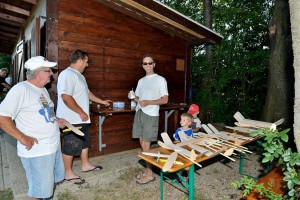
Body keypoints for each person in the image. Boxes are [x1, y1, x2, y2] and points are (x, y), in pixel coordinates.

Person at [0, 56, 65, 199]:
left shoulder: (42, 90)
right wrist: (23, 138)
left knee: (46, 188)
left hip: (51, 147)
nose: (51, 74)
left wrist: (56, 120)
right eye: (49, 71)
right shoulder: (20, 89)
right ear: (38, 72)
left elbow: (45, 114)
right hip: (37, 151)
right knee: (37, 192)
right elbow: (2, 117)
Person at [56, 49, 111, 185]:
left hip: (82, 119)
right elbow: (65, 96)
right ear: (80, 60)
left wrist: (102, 101)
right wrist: (80, 111)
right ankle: (67, 173)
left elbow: (88, 93)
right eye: (86, 62)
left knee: (84, 143)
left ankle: (85, 165)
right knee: (71, 145)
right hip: (71, 119)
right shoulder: (67, 74)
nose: (87, 65)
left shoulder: (80, 75)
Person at [130, 53, 168, 184]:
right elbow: (139, 100)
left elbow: (165, 99)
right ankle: (148, 170)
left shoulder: (160, 80)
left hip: (151, 114)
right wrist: (132, 97)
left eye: (150, 63)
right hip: (139, 112)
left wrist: (148, 103)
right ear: (142, 65)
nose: (148, 65)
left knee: (146, 144)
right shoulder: (141, 81)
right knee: (142, 142)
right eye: (145, 63)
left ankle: (150, 174)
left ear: (154, 64)